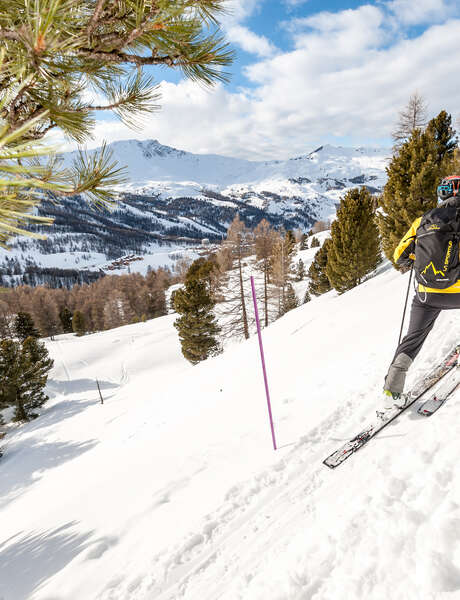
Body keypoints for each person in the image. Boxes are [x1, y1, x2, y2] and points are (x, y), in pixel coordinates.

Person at [379, 175, 460, 416]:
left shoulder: (422, 220)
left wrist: (422, 257)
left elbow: (399, 256)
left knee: (412, 339)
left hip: (427, 294)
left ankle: (391, 392)